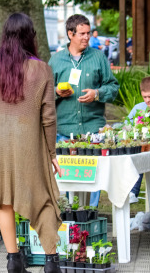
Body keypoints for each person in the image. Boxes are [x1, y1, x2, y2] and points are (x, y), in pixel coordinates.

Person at [0, 13, 63, 273]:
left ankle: (13, 260)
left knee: (3, 202)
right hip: (31, 148)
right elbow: (48, 117)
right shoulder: (43, 69)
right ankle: (52, 261)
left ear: (6, 36)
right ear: (30, 36)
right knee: (43, 200)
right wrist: (52, 152)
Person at [49, 14, 119, 207]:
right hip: (64, 132)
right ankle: (67, 221)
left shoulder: (98, 57)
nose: (86, 37)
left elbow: (113, 87)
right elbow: (43, 92)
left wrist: (97, 93)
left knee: (92, 180)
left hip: (92, 133)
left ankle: (91, 214)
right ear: (70, 34)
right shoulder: (56, 61)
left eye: (88, 33)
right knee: (65, 181)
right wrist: (56, 92)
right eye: (82, 33)